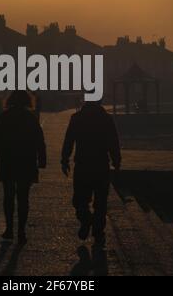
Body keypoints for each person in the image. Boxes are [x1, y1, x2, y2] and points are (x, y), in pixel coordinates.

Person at [0, 91, 47, 245]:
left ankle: (9, 229)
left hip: (7, 160)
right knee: (23, 197)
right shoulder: (30, 118)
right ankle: (21, 231)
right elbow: (39, 139)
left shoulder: (4, 117)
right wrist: (42, 158)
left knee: (8, 196)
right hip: (26, 161)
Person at [61, 100, 121, 246]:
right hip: (101, 165)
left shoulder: (77, 118)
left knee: (80, 200)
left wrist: (65, 159)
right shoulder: (106, 118)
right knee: (101, 202)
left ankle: (86, 220)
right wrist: (116, 160)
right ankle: (98, 231)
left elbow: (69, 140)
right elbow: (113, 141)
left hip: (83, 165)